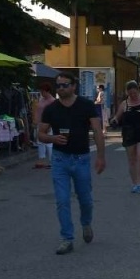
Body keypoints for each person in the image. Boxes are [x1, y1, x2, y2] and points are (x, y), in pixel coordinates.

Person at [37, 71, 106, 254]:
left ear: (74, 86)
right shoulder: (51, 109)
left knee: (86, 200)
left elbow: (97, 131)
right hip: (60, 160)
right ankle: (67, 238)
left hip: (81, 159)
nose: (61, 89)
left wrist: (101, 156)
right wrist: (53, 139)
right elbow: (41, 134)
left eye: (64, 85)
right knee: (62, 200)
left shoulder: (85, 105)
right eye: (58, 86)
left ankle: (86, 223)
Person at [112, 80, 140, 193]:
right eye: (130, 94)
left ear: (138, 91)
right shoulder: (124, 104)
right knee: (131, 160)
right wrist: (114, 121)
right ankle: (135, 183)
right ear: (128, 93)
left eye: (135, 93)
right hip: (129, 133)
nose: (133, 96)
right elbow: (117, 117)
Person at [32, 80, 56, 168]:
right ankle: (41, 159)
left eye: (42, 91)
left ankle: (52, 161)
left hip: (47, 124)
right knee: (40, 142)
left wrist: (50, 125)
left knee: (49, 143)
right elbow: (38, 110)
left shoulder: (52, 101)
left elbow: (53, 114)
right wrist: (35, 121)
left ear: (47, 91)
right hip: (39, 123)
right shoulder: (41, 99)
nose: (41, 93)